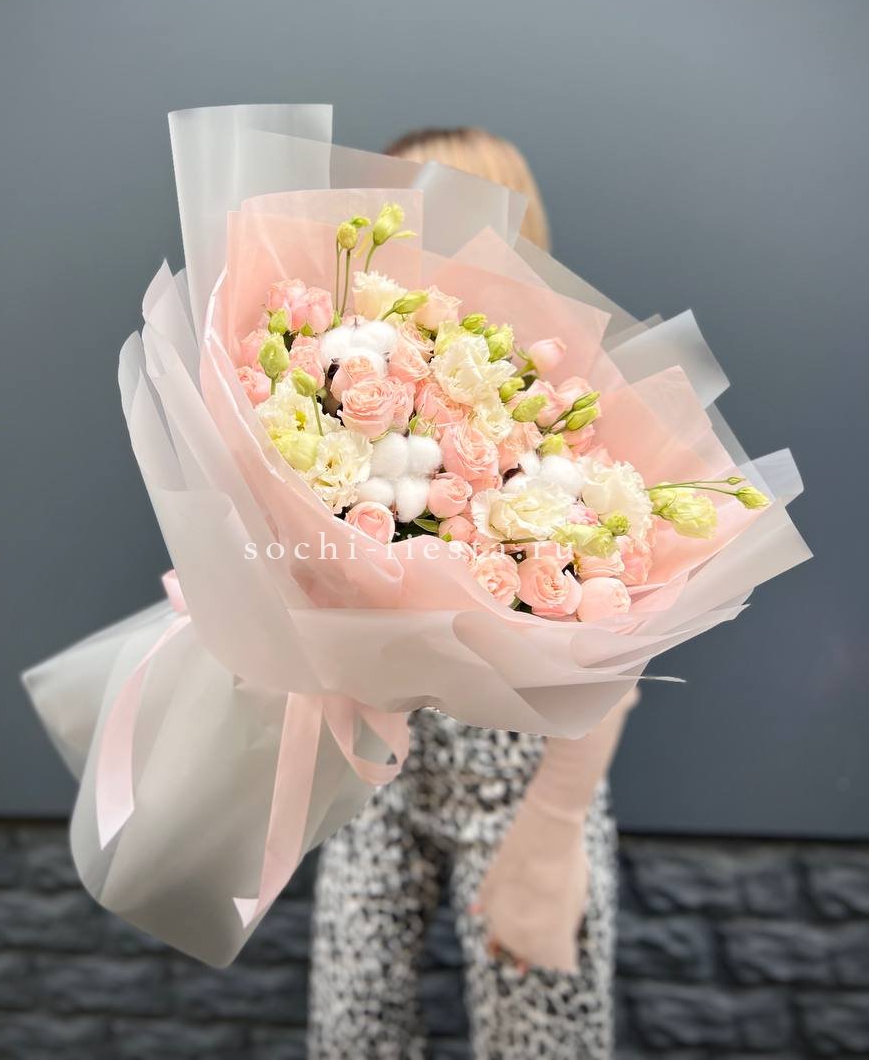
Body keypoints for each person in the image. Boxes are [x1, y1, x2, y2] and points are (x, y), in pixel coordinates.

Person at [308, 127, 637, 1060]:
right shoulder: (357, 372)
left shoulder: (568, 397)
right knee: (350, 1034)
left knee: (542, 1041)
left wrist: (556, 824)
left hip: (522, 783)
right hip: (378, 775)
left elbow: (625, 628)